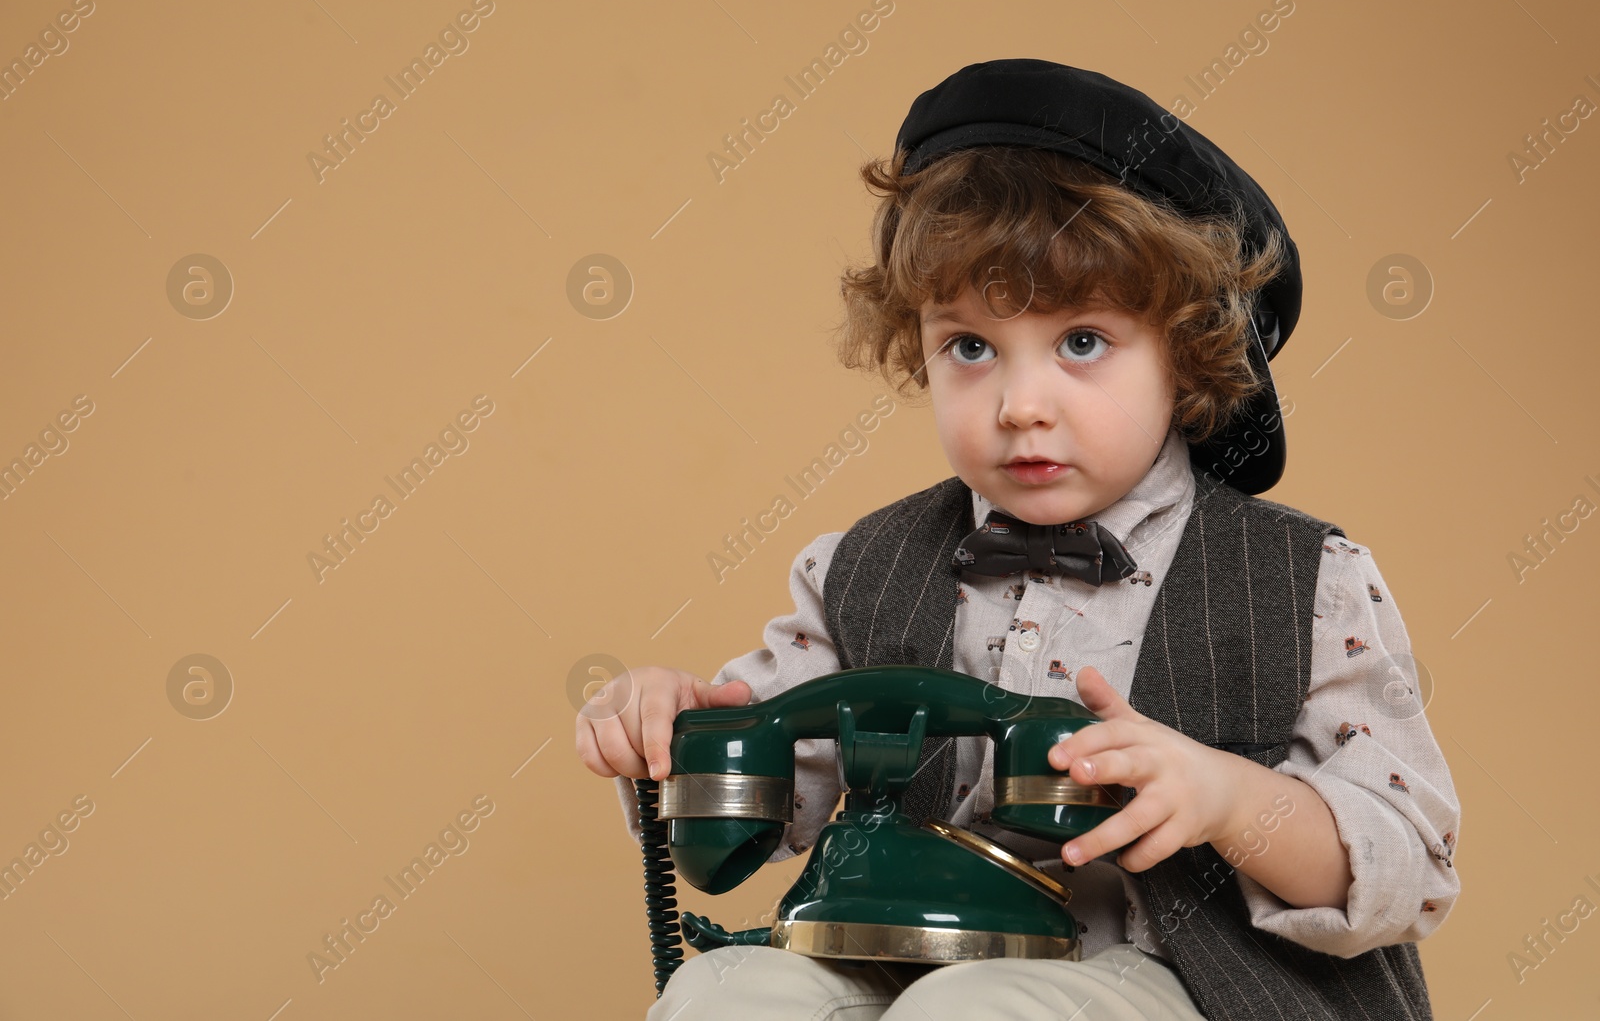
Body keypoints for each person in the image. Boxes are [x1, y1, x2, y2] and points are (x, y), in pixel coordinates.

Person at [575, 59, 1461, 1020]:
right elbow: (765, 804)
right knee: (722, 992)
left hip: (1198, 982)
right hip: (918, 956)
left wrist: (1228, 796)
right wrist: (671, 729)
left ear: (1189, 349)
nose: (1019, 406)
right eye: (970, 346)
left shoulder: (1304, 580)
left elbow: (1409, 860)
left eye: (1082, 341)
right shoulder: (860, 569)